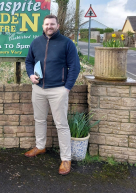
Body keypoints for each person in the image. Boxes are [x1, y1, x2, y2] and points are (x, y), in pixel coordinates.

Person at [24, 14, 80, 175]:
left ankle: (66, 158)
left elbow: (74, 67)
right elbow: (29, 61)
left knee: (61, 124)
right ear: (43, 26)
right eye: (47, 24)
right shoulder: (36, 42)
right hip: (39, 88)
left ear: (58, 25)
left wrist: (67, 88)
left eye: (52, 24)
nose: (49, 26)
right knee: (39, 119)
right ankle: (40, 147)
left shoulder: (67, 43)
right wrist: (30, 75)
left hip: (59, 90)